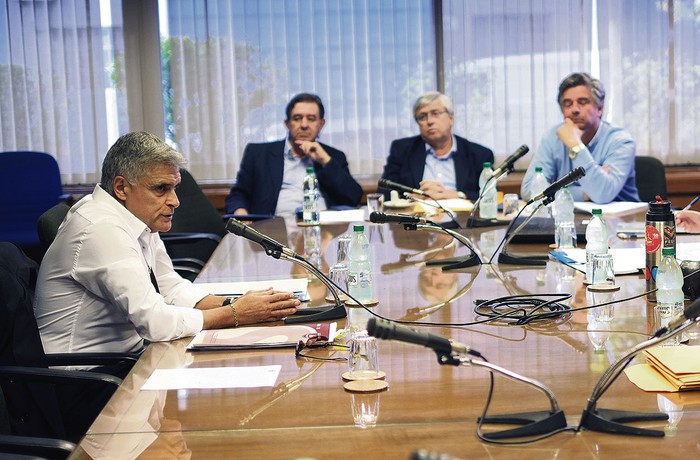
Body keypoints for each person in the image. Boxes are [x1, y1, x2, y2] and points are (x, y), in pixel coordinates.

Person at [34, 131, 301, 358]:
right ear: (121, 188)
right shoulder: (101, 229)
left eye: (175, 187)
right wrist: (235, 314)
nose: (175, 201)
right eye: (162, 189)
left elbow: (169, 288)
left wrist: (239, 304)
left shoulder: (136, 217)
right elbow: (156, 323)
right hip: (86, 382)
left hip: (130, 358)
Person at [225, 93, 363, 215]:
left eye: (311, 118)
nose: (304, 125)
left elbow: (354, 197)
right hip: (273, 230)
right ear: (287, 123)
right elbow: (238, 194)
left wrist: (325, 161)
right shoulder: (259, 154)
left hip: (322, 230)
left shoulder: (333, 156)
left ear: (321, 124)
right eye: (297, 118)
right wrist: (241, 213)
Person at [521, 72, 639, 203]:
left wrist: (575, 146)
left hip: (622, 220)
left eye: (582, 102)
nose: (574, 109)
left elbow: (602, 194)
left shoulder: (621, 141)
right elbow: (529, 191)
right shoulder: (552, 137)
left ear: (599, 108)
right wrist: (585, 193)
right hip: (568, 219)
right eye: (567, 104)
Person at [381, 91, 494, 201]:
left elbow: (489, 195)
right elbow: (384, 192)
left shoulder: (479, 154)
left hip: (462, 218)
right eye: (422, 117)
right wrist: (414, 197)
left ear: (451, 118)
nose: (429, 121)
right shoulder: (401, 150)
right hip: (417, 217)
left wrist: (458, 195)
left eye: (435, 114)